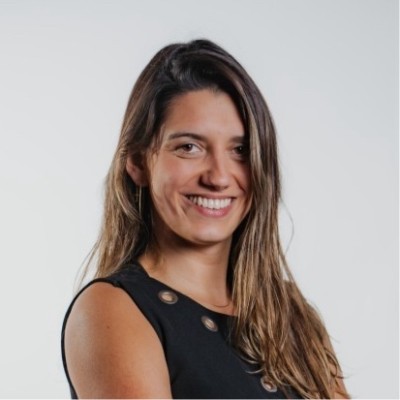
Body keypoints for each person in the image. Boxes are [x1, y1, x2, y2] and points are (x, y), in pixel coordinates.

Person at [61, 39, 349, 399]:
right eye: (189, 147)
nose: (218, 177)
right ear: (137, 162)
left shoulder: (290, 314)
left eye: (240, 150)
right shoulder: (112, 310)